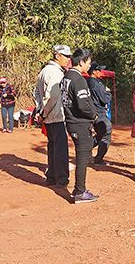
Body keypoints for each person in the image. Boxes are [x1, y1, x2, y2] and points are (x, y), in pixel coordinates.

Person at [60, 48, 98, 203]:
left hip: (71, 121)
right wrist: (94, 116)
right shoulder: (78, 79)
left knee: (82, 155)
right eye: (88, 62)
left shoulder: (67, 76)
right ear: (81, 62)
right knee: (82, 158)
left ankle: (79, 190)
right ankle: (80, 191)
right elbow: (83, 105)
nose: (89, 65)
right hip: (79, 123)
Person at [35, 44, 71, 186]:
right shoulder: (55, 72)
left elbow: (37, 94)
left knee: (52, 148)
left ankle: (51, 177)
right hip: (56, 115)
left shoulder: (44, 71)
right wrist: (43, 113)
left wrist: (40, 111)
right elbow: (53, 97)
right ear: (57, 56)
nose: (68, 59)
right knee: (60, 149)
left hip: (49, 117)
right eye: (65, 56)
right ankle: (61, 179)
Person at [88, 63, 112, 165]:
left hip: (90, 112)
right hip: (99, 113)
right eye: (98, 70)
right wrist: (108, 92)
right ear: (93, 72)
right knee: (106, 132)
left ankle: (86, 150)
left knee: (100, 133)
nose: (100, 72)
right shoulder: (97, 84)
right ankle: (98, 158)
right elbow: (105, 99)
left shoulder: (86, 82)